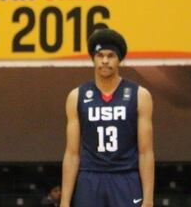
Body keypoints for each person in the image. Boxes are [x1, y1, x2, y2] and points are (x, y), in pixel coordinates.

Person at [60, 27, 155, 207]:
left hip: (126, 176)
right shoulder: (76, 96)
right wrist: (64, 201)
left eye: (111, 55)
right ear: (93, 58)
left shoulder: (140, 95)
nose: (105, 61)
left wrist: (148, 200)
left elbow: (146, 152)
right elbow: (72, 154)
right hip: (90, 177)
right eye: (100, 55)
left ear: (119, 59)